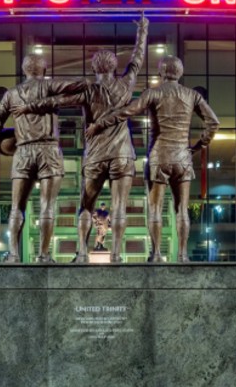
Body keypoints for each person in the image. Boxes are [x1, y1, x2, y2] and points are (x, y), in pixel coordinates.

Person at [16, 17, 148, 263]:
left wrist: (30, 106)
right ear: (114, 66)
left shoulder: (88, 90)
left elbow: (57, 102)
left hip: (96, 155)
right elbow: (137, 59)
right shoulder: (126, 85)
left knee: (86, 205)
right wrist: (143, 29)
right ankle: (117, 255)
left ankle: (82, 254)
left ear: (94, 68)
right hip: (122, 153)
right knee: (119, 206)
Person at [88, 55, 219, 263]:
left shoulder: (153, 93)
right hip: (182, 157)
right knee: (181, 208)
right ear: (180, 73)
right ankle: (183, 255)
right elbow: (213, 122)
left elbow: (127, 112)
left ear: (161, 72)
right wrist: (198, 145)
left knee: (155, 208)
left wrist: (101, 123)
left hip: (159, 156)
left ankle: (156, 254)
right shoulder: (192, 95)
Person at [0, 54, 85, 263]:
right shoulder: (49, 86)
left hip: (23, 151)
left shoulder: (11, 94)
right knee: (47, 206)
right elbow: (79, 85)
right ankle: (43, 255)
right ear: (43, 70)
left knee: (17, 206)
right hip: (48, 150)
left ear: (25, 70)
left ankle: (14, 255)